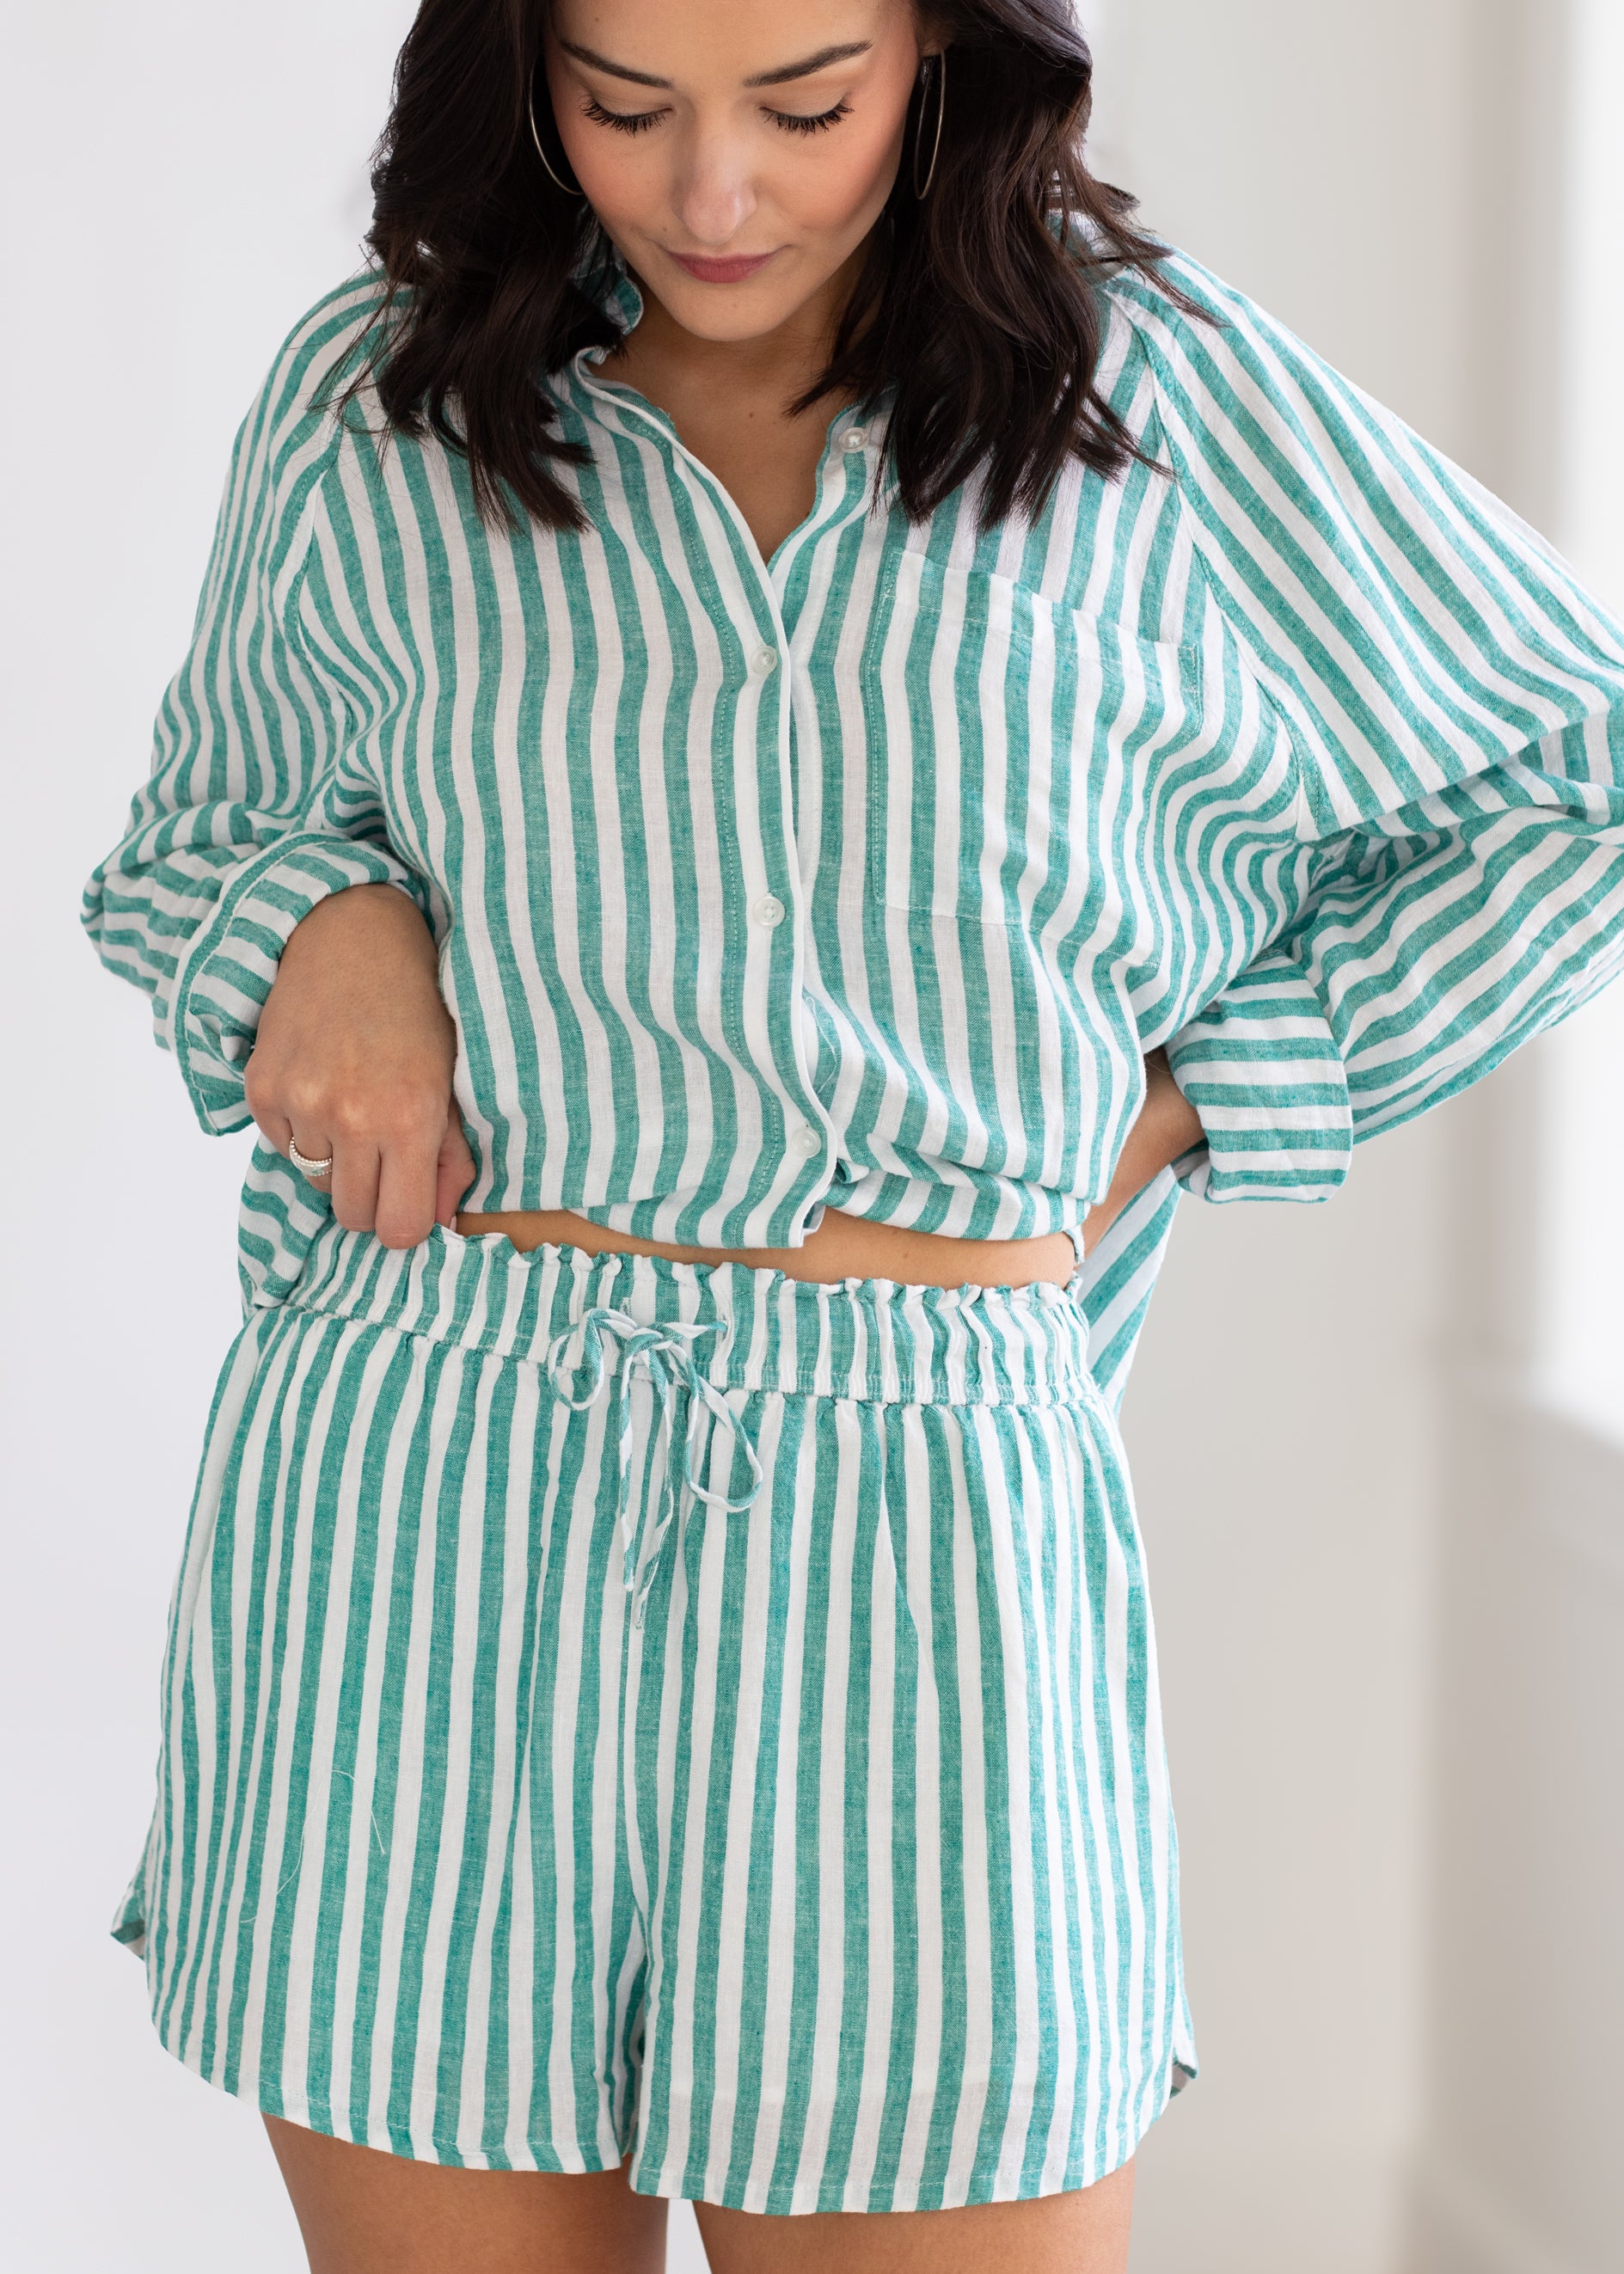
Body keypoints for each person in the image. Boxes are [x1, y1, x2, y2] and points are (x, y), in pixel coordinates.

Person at [81, 1, 1624, 2268]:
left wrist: (1211, 1098)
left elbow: (1572, 776)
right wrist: (313, 922)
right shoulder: (378, 396)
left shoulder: (1157, 406)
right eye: (623, 104)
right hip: (418, 1499)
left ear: (945, 59)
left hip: (923, 1537)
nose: (712, 192)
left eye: (803, 101)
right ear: (521, 72)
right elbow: (194, 842)